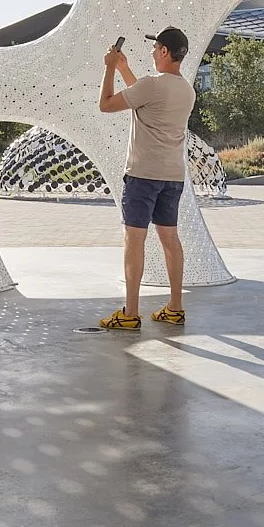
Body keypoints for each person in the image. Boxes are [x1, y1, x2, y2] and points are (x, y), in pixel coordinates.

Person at [96, 26, 195, 330]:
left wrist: (111, 68)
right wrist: (126, 68)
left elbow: (107, 104)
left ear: (165, 52)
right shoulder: (186, 90)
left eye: (155, 48)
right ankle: (175, 308)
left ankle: (130, 313)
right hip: (173, 177)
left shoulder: (152, 85)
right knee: (170, 241)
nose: (152, 52)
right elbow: (145, 97)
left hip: (142, 176)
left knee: (134, 241)